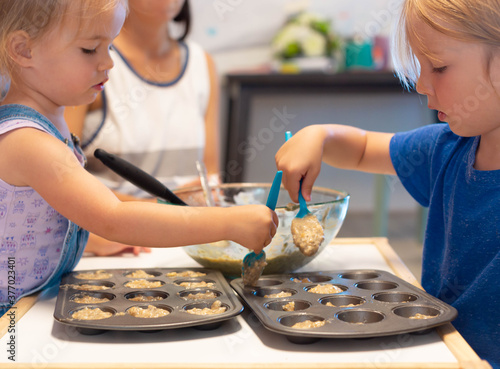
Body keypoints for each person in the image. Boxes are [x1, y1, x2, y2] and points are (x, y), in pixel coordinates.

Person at [0, 0, 277, 314]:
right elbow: (114, 217)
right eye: (90, 49)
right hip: (9, 316)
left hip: (34, 301)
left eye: (110, 47)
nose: (108, 64)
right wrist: (227, 222)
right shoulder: (27, 140)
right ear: (23, 50)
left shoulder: (50, 123)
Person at [275, 0, 499, 367]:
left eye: (439, 67)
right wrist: (319, 136)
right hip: (441, 352)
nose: (422, 84)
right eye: (420, 66)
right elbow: (363, 149)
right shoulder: (446, 150)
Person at [65, 0, 220, 256]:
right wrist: (152, 211)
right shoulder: (93, 62)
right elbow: (61, 176)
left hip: (190, 241)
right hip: (116, 242)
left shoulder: (202, 63)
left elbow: (210, 176)